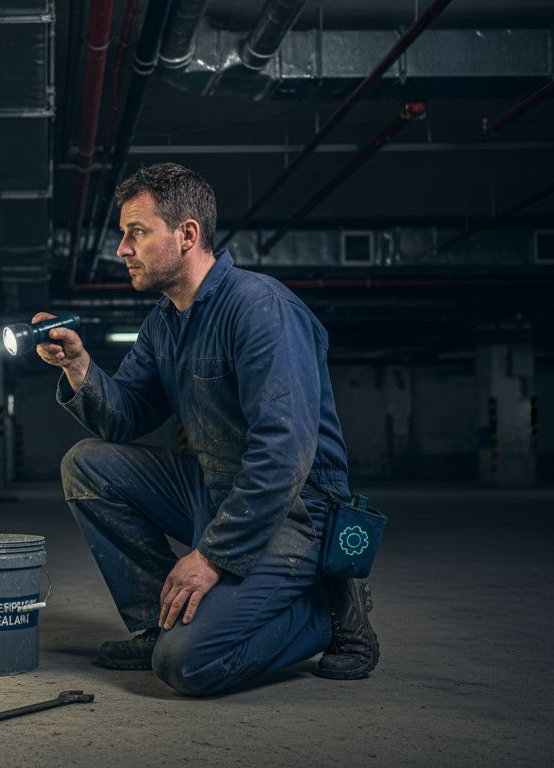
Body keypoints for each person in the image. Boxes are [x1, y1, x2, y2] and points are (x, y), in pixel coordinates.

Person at [35, 163, 378, 696]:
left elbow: (284, 453)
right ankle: (157, 623)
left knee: (186, 665)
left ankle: (324, 609)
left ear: (187, 234)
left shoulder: (260, 308)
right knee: (88, 462)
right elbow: (125, 417)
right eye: (124, 235)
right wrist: (77, 366)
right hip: (216, 489)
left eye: (137, 232)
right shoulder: (165, 321)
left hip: (296, 509)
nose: (123, 249)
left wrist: (212, 556)